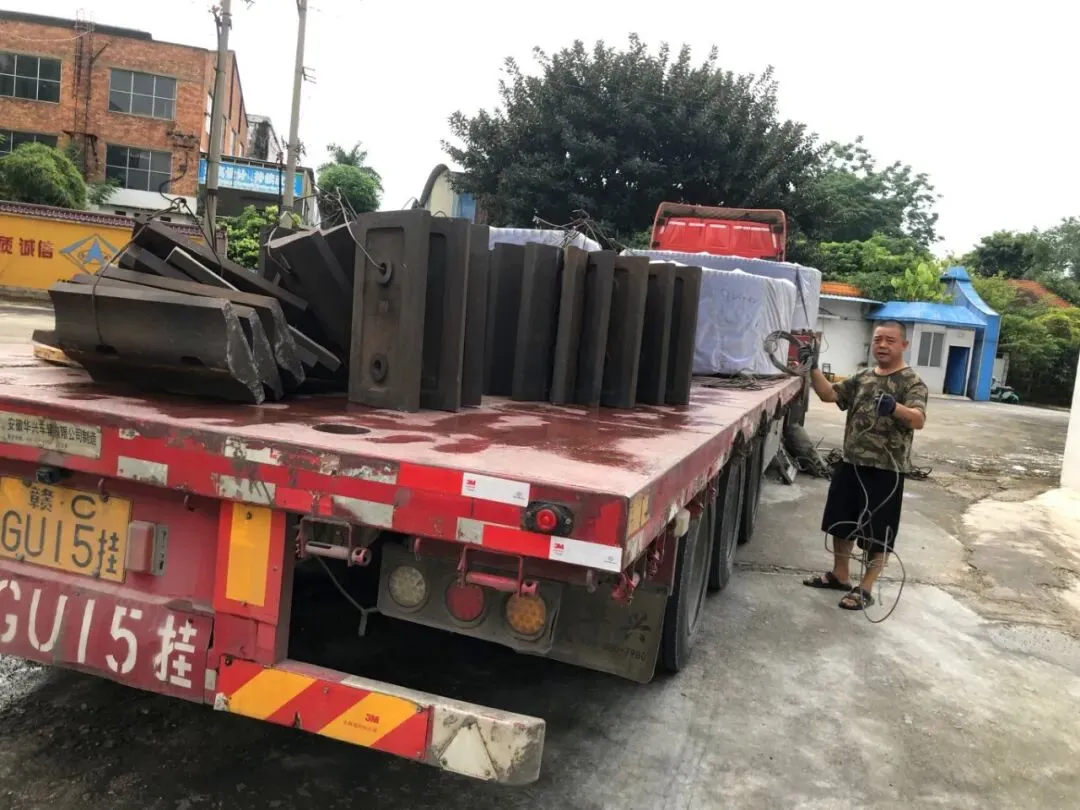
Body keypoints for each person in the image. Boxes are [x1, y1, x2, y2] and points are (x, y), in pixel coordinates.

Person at [799, 321, 928, 610]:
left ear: (904, 345)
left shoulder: (912, 382)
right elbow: (829, 394)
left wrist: (895, 408)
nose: (882, 345)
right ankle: (840, 575)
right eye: (878, 339)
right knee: (840, 522)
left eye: (890, 340)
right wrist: (812, 368)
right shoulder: (863, 377)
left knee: (878, 534)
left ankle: (866, 588)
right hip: (851, 463)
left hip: (886, 470)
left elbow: (918, 419)